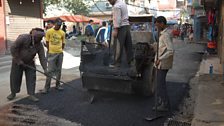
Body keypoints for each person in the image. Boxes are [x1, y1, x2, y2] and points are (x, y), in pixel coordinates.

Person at [7, 28, 47, 102]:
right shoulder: (23, 38)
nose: (41, 39)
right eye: (40, 38)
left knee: (32, 78)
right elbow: (13, 48)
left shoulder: (39, 45)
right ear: (34, 36)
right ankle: (13, 93)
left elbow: (42, 57)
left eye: (42, 38)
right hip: (17, 61)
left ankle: (31, 94)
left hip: (30, 62)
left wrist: (45, 69)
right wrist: (18, 60)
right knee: (15, 78)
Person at [153, 16, 174, 111]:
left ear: (162, 24)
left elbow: (171, 50)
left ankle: (166, 105)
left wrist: (160, 59)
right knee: (159, 84)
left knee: (160, 85)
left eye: (157, 25)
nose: (156, 27)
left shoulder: (165, 35)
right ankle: (162, 102)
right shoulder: (162, 34)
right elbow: (161, 47)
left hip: (163, 64)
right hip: (160, 63)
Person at [41, 19, 66, 94]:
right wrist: (50, 50)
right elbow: (47, 42)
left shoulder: (62, 33)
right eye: (57, 25)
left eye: (60, 25)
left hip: (60, 53)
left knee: (59, 70)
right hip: (51, 53)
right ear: (55, 24)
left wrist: (60, 50)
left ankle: (57, 85)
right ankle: (46, 88)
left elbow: (63, 43)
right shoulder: (49, 31)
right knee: (50, 71)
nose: (58, 26)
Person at [108, 0, 135, 68]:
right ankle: (131, 62)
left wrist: (116, 29)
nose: (109, 2)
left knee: (117, 46)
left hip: (120, 28)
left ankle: (116, 63)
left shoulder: (116, 6)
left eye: (109, 0)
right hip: (126, 26)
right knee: (128, 45)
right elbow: (122, 16)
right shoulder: (123, 3)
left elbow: (118, 19)